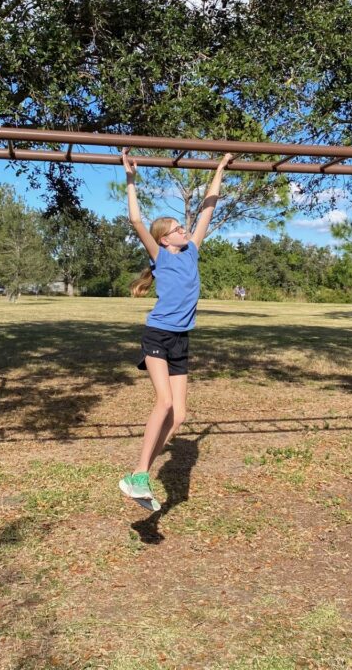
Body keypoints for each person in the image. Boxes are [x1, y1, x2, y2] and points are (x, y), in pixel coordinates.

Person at [118, 147, 232, 511]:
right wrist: (130, 177)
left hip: (181, 338)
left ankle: (139, 476)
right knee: (164, 402)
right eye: (177, 229)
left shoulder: (194, 251)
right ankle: (138, 472)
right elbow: (136, 221)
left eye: (183, 228)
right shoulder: (162, 256)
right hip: (157, 336)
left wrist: (219, 168)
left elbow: (208, 208)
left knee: (180, 415)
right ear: (164, 240)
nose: (184, 230)